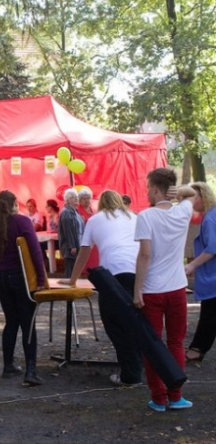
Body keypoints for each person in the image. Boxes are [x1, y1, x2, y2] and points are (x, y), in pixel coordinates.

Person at [59, 190, 143, 386]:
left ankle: (130, 374)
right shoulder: (135, 217)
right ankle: (137, 366)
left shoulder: (95, 220)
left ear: (101, 204)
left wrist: (72, 279)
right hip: (138, 273)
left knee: (115, 325)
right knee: (135, 323)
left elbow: (83, 252)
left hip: (112, 275)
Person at [133, 168, 195, 412]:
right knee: (176, 343)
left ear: (156, 189)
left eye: (149, 187)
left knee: (153, 344)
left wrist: (137, 290)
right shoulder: (183, 211)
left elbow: (145, 255)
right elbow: (191, 194)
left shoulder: (146, 216)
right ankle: (176, 395)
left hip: (152, 290)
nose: (147, 191)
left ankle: (158, 398)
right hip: (178, 287)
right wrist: (176, 191)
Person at [0, 190, 46, 386]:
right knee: (28, 323)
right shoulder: (23, 222)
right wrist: (41, 277)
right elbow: (35, 251)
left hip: (2, 277)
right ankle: (30, 370)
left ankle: (8, 365)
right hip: (20, 277)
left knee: (11, 322)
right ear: (14, 203)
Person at [184, 182, 216, 363]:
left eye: (192, 197)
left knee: (209, 316)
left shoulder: (210, 218)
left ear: (202, 197)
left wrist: (192, 265)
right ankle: (197, 348)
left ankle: (197, 350)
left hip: (213, 277)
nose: (189, 201)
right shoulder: (211, 215)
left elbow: (212, 248)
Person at [59, 189, 84, 277]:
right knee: (70, 271)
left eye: (76, 197)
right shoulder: (66, 212)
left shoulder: (75, 211)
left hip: (78, 245)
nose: (76, 199)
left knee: (75, 270)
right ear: (67, 200)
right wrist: (72, 246)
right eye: (73, 197)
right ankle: (69, 289)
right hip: (71, 248)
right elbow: (67, 230)